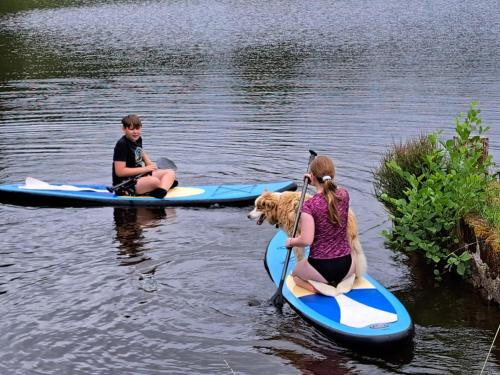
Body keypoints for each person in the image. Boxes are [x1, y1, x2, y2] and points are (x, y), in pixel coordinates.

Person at [285, 155, 355, 293]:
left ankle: (319, 289)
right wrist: (317, 179)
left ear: (312, 176)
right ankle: (342, 282)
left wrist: (291, 242)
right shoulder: (344, 195)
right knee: (341, 267)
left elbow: (306, 240)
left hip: (321, 268)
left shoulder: (309, 206)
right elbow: (331, 191)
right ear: (332, 175)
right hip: (346, 265)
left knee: (295, 275)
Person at [112, 114, 176, 198]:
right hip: (125, 184)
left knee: (170, 173)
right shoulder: (122, 145)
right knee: (155, 181)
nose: (135, 132)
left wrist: (149, 163)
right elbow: (120, 172)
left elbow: (140, 151)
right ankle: (163, 185)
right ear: (124, 129)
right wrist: (145, 169)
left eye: (137, 129)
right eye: (132, 129)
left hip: (139, 177)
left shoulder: (137, 139)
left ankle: (161, 191)